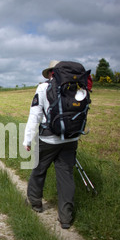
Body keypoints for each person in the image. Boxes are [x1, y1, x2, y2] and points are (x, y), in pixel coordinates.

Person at [23, 60, 80, 230]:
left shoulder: (43, 88)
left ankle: (35, 203)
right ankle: (66, 218)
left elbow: (35, 116)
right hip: (70, 139)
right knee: (66, 176)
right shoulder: (77, 88)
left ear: (50, 73)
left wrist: (27, 140)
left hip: (48, 139)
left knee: (39, 169)